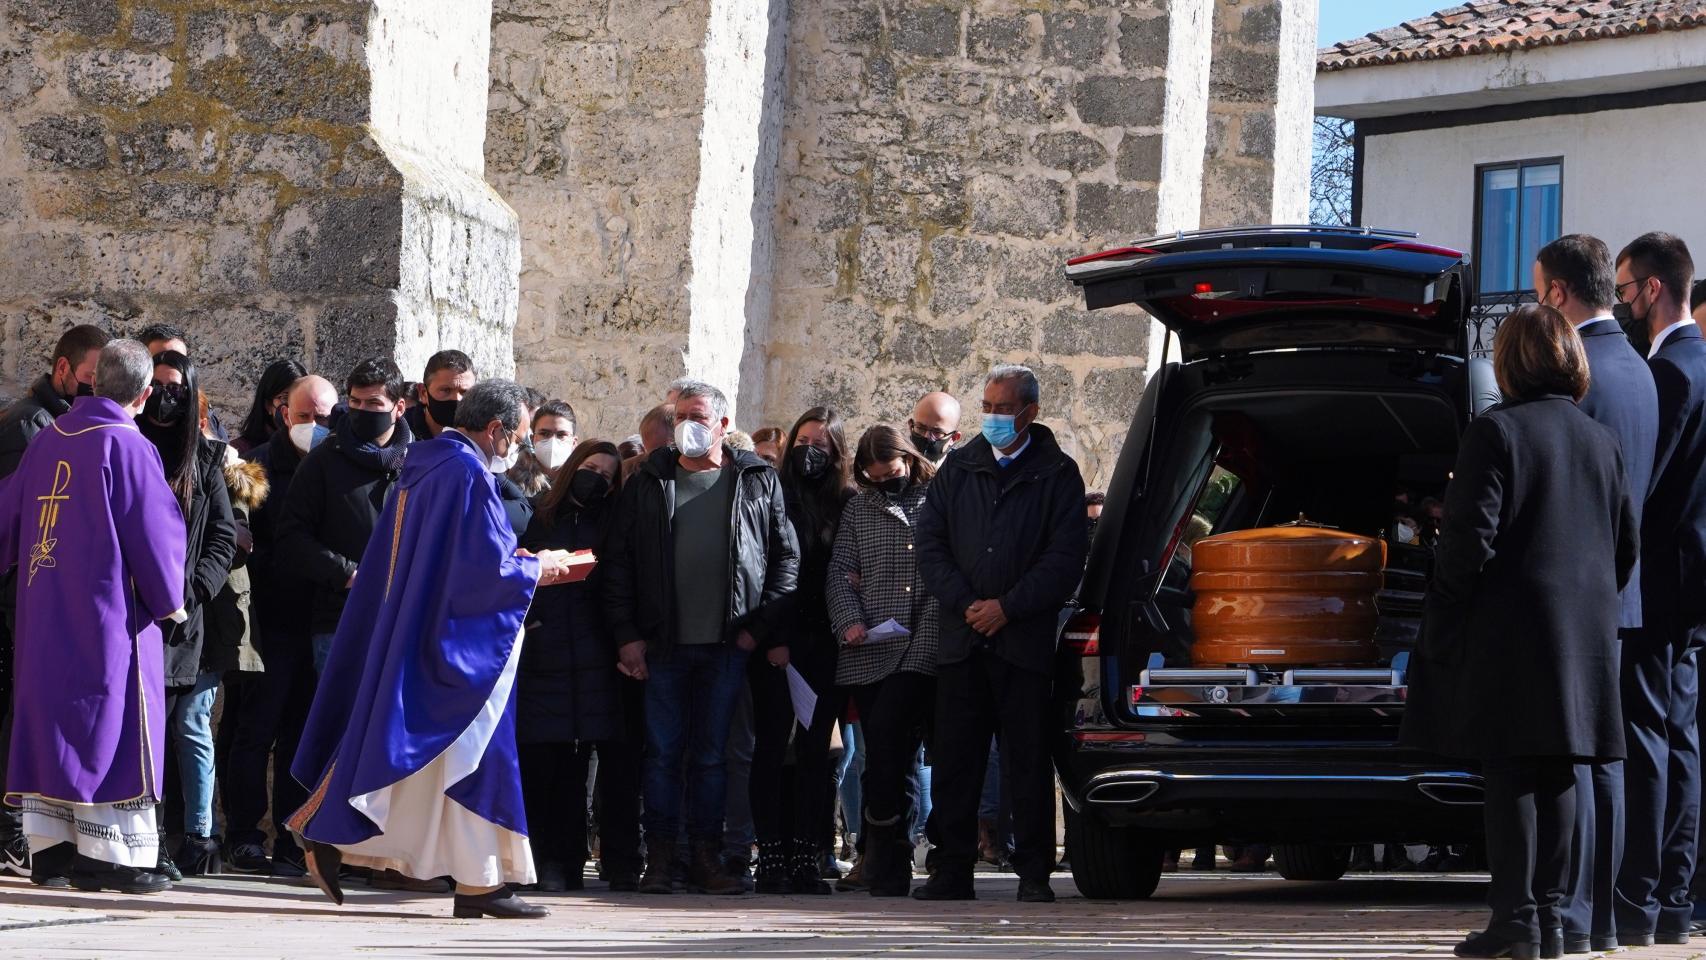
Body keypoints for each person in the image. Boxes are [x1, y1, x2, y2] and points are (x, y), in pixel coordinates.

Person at [287, 379, 580, 920]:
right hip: (454, 645)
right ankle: (472, 880)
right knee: (475, 753)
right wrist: (541, 564)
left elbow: (461, 554)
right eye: (516, 437)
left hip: (422, 630)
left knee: (435, 764)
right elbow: (485, 568)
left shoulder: (428, 466)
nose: (515, 450)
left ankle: (467, 878)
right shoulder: (465, 473)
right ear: (494, 430)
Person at [1401, 304, 1637, 959]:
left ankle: (1517, 920)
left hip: (1510, 629)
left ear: (1509, 362)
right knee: (1562, 772)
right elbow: (1626, 544)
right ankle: (1553, 921)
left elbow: (1467, 544)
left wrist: (1446, 608)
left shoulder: (1495, 433)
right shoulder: (1600, 440)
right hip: (1584, 631)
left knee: (1511, 777)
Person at [0, 339, 188, 894]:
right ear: (144, 393)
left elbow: (7, 517)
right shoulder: (127, 446)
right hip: (108, 621)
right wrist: (169, 599)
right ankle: (107, 861)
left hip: (42, 616)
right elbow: (154, 533)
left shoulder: (48, 438)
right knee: (109, 727)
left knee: (54, 727)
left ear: (92, 382)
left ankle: (53, 857)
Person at [602, 380, 799, 896]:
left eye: (698, 416)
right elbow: (618, 564)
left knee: (713, 756)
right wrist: (627, 636)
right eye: (681, 416)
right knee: (664, 754)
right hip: (663, 645)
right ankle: (662, 859)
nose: (687, 426)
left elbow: (786, 559)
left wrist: (756, 632)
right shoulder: (649, 479)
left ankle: (708, 857)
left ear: (724, 425)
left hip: (728, 646)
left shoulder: (757, 479)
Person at [914, 364, 1088, 903]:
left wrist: (1008, 608)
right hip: (962, 641)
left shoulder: (1058, 474)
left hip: (1022, 644)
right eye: (986, 406)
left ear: (1030, 412)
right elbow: (930, 543)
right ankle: (952, 870)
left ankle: (1034, 871)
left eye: (1003, 408)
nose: (992, 417)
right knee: (957, 761)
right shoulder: (958, 469)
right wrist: (968, 604)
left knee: (1028, 762)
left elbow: (1064, 558)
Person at [1534, 234, 1659, 953]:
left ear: (1557, 294)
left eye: (1537, 288)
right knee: (1606, 761)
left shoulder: (1586, 375)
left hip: (1583, 595)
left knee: (1579, 760)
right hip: (1620, 591)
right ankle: (1603, 919)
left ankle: (1577, 917)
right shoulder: (1636, 369)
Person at [1615, 232, 1706, 947]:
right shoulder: (1696, 361)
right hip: (1690, 580)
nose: (1620, 303)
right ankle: (1672, 899)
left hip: (1666, 582)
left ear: (1650, 289)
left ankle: (1646, 897)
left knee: (1655, 740)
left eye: (1623, 290)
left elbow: (1646, 490)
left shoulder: (1674, 370)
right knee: (1679, 736)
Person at [0, 322, 110, 880]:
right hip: (22, 596)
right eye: (89, 378)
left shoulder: (52, 424)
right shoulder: (34, 428)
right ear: (63, 369)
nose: (95, 391)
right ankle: (13, 832)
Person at [515, 439, 641, 893]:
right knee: (538, 762)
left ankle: (568, 862)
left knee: (578, 768)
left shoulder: (611, 523)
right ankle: (534, 859)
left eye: (607, 476)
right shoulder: (536, 515)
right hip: (542, 654)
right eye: (590, 467)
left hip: (594, 658)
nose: (597, 478)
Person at [224, 376, 332, 878]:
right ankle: (244, 835)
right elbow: (244, 542)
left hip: (320, 621)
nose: (316, 427)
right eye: (306, 416)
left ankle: (292, 838)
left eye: (326, 418)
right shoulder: (255, 468)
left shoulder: (339, 465)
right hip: (270, 621)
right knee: (255, 731)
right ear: (283, 414)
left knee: (300, 735)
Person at [826, 425, 941, 897]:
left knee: (893, 746)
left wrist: (921, 648)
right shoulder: (859, 507)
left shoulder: (937, 499)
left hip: (921, 649)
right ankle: (886, 856)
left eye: (891, 472)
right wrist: (849, 620)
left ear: (908, 459)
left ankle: (887, 858)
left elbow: (941, 575)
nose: (884, 483)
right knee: (886, 756)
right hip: (868, 650)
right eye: (873, 477)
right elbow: (840, 571)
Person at [749, 408, 854, 895]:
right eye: (803, 439)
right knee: (772, 751)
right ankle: (771, 856)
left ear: (835, 454)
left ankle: (806, 855)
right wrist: (774, 639)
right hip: (778, 641)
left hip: (825, 645)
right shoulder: (772, 492)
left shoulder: (846, 503)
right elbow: (763, 571)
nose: (810, 451)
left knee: (815, 757)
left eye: (822, 444)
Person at [277, 358, 414, 680]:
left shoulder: (420, 464)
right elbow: (292, 537)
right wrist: (349, 574)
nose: (363, 410)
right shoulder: (323, 462)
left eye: (374, 403)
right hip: (340, 621)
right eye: (355, 401)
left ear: (399, 407)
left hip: (407, 619)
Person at [135, 325, 227, 441]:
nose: (168, 365)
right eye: (158, 359)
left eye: (177, 360)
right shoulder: (126, 415)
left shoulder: (203, 417)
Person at [232, 360, 307, 457]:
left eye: (300, 397)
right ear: (268, 405)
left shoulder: (316, 448)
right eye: (285, 398)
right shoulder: (240, 453)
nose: (293, 405)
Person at [402, 349, 476, 442]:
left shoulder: (484, 436)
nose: (456, 399)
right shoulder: (399, 431)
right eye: (446, 390)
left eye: (464, 392)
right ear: (424, 393)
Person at [512, 400, 577, 498]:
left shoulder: (579, 485)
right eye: (544, 434)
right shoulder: (512, 482)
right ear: (532, 439)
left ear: (574, 442)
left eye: (561, 435)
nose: (552, 441)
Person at [908, 391, 963, 467]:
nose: (926, 436)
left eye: (937, 432)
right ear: (911, 426)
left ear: (954, 437)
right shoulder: (895, 464)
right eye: (920, 428)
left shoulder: (960, 475)